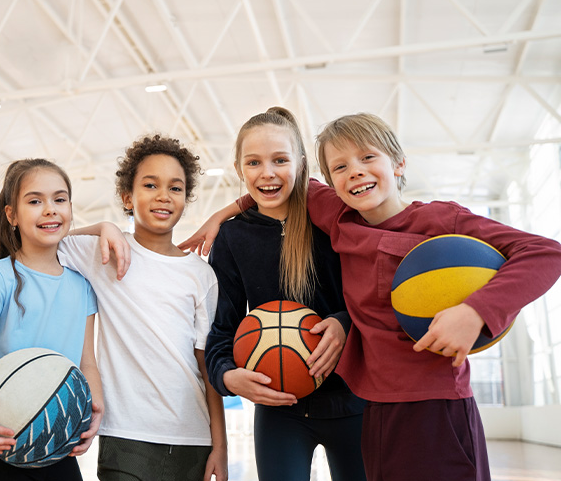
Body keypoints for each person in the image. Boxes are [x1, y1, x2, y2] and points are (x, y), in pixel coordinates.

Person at [181, 111, 561, 481]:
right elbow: (274, 184)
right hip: (371, 409)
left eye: (367, 157)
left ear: (398, 163)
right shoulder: (340, 220)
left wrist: (477, 310)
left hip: (420, 402)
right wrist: (225, 213)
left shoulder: (428, 221)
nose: (356, 171)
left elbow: (546, 253)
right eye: (341, 167)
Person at [205, 107, 365, 481]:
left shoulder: (335, 220)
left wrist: (343, 324)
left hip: (354, 401)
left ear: (301, 164)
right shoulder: (232, 237)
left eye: (280, 160)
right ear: (238, 168)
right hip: (278, 411)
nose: (267, 173)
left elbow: (371, 301)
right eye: (254, 162)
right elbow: (220, 330)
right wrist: (228, 376)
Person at [57, 135, 228, 481]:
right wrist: (104, 227)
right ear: (127, 196)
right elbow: (41, 237)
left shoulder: (201, 275)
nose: (163, 195)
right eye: (150, 185)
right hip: (125, 435)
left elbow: (206, 366)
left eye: (175, 188)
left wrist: (220, 447)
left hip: (190, 436)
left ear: (185, 198)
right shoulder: (104, 252)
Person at [0, 158, 103, 481]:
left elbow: (86, 361)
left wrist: (95, 404)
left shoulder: (83, 285)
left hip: (57, 439)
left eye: (59, 199)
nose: (50, 209)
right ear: (12, 215)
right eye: (35, 201)